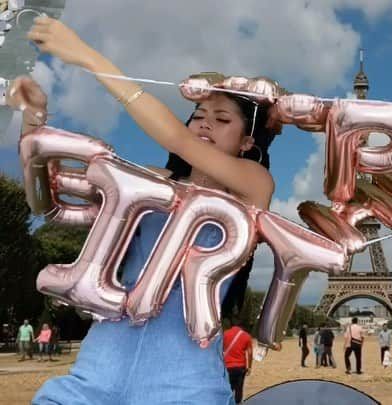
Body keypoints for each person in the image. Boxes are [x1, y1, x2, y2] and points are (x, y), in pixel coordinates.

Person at [11, 17, 277, 404]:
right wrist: (33, 117)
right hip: (99, 366)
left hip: (185, 381)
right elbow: (49, 190)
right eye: (198, 116)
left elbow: (175, 138)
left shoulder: (254, 187)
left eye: (221, 120)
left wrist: (87, 57)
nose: (204, 125)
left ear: (247, 141)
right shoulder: (151, 181)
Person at [223, 323, 253, 405]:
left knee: (228, 388)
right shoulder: (246, 336)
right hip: (240, 367)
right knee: (239, 388)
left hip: (227, 366)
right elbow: (250, 353)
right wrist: (249, 367)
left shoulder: (225, 334)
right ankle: (238, 403)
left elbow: (220, 349)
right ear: (242, 327)